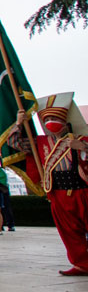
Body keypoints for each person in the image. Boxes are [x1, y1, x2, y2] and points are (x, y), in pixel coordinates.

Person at [9, 92, 88, 275]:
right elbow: (15, 143)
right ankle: (82, 264)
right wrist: (19, 123)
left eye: (55, 118)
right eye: (48, 118)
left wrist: (83, 148)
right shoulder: (40, 142)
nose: (51, 122)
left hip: (81, 190)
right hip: (58, 192)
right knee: (69, 232)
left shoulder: (80, 139)